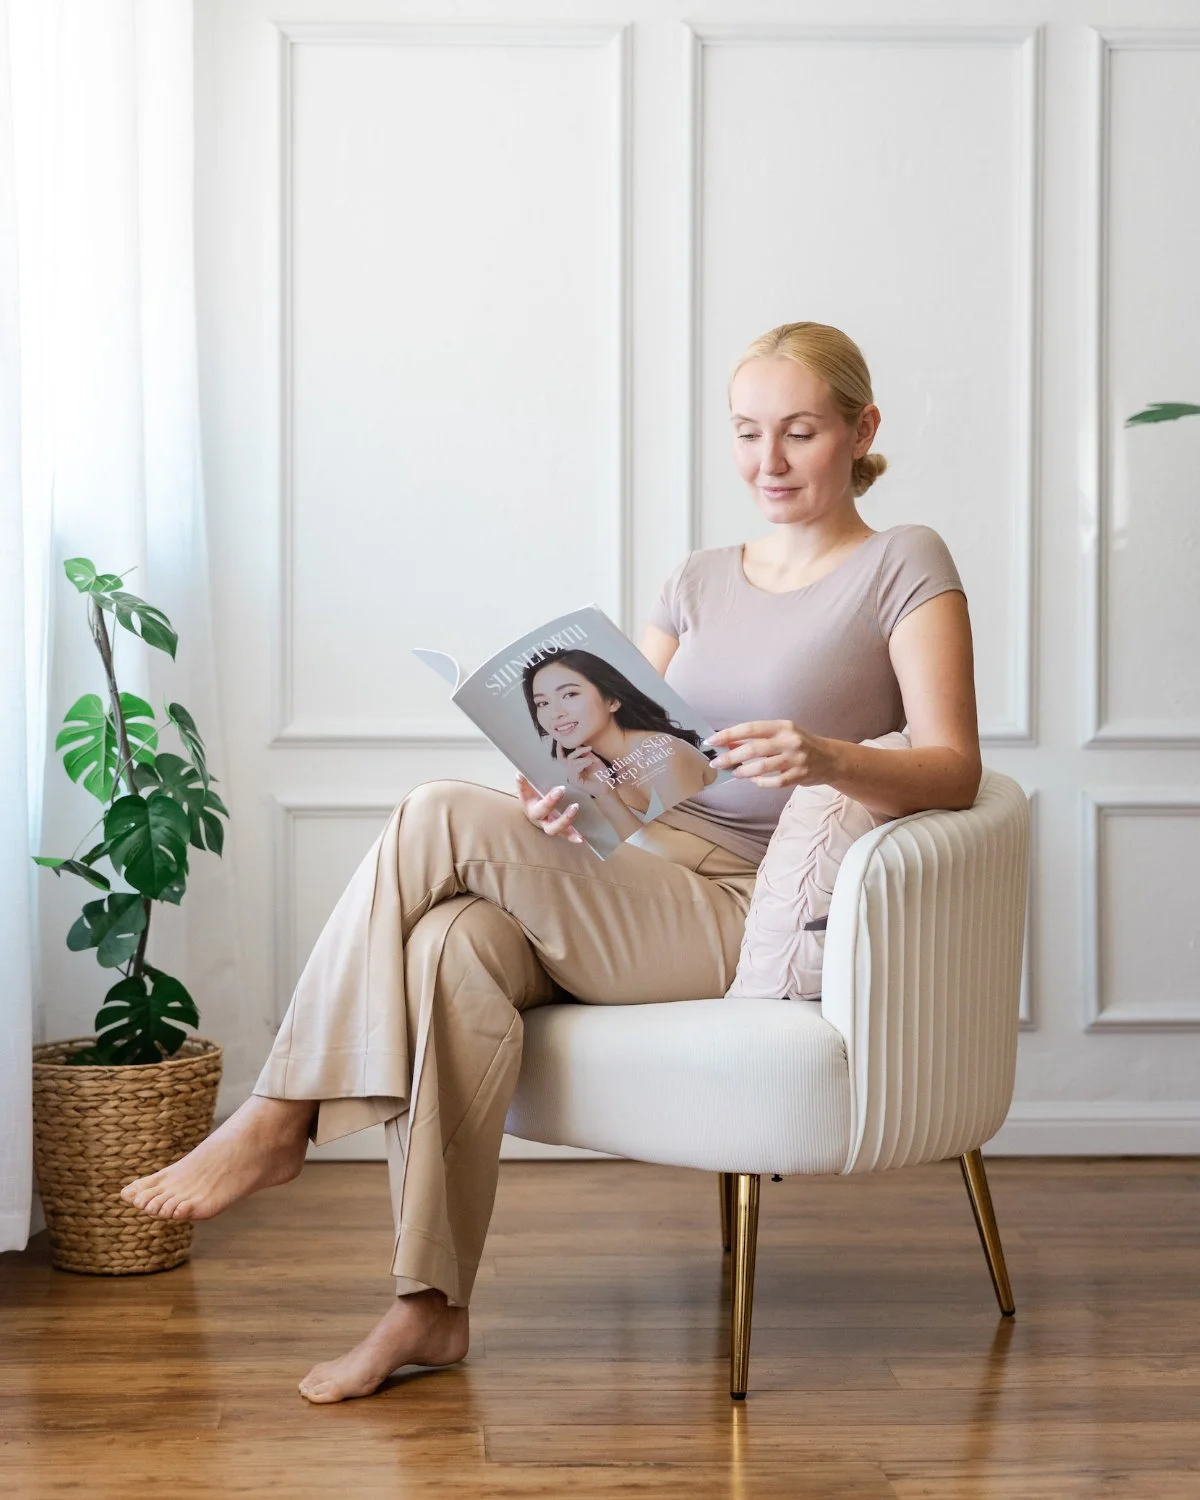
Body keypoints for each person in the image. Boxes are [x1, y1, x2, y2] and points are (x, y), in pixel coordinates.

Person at [119, 320, 981, 1404]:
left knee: (435, 808)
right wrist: (565, 797)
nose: (769, 462)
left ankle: (279, 1114)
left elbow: (954, 769)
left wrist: (826, 755)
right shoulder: (698, 579)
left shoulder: (905, 561)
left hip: (733, 902)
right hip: (636, 866)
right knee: (451, 944)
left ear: (862, 431)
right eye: (748, 433)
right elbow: (638, 752)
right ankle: (425, 1311)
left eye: (800, 434)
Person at [524, 650, 719, 841]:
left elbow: (677, 853)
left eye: (569, 694)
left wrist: (606, 797)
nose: (555, 713)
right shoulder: (596, 771)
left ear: (612, 700)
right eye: (542, 703)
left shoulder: (659, 751)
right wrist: (604, 793)